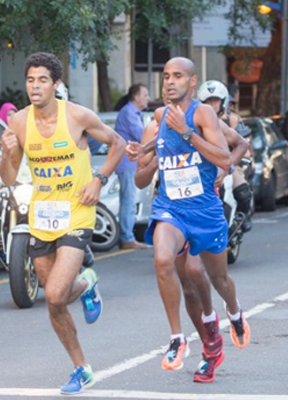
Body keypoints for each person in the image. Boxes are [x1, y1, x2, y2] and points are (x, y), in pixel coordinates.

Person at [0, 52, 125, 395]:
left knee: (54, 293)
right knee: (53, 300)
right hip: (41, 215)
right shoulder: (19, 123)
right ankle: (81, 367)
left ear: (56, 84)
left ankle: (83, 284)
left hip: (77, 211)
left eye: (42, 80)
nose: (35, 86)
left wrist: (99, 179)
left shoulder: (78, 116)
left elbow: (118, 144)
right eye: (30, 80)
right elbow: (9, 176)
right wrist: (8, 153)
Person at [133, 57, 251, 383]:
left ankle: (232, 311)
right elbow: (140, 181)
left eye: (178, 76)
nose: (169, 81)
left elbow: (227, 154)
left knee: (216, 278)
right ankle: (183, 339)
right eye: (166, 76)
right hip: (171, 208)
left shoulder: (203, 114)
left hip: (205, 210)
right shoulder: (156, 119)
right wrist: (149, 158)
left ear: (192, 82)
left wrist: (188, 137)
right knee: (168, 265)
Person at [196, 80, 254, 231]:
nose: (212, 105)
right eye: (208, 101)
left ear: (223, 102)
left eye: (215, 101)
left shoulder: (232, 119)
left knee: (242, 189)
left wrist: (232, 163)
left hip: (228, 162)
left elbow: (242, 143)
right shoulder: (196, 119)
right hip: (202, 164)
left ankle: (242, 217)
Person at [115, 84, 150, 250]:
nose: (147, 98)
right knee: (128, 201)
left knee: (129, 200)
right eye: (145, 95)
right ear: (136, 96)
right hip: (127, 162)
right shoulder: (129, 112)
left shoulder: (135, 113)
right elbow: (141, 135)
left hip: (131, 162)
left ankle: (128, 236)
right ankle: (127, 238)